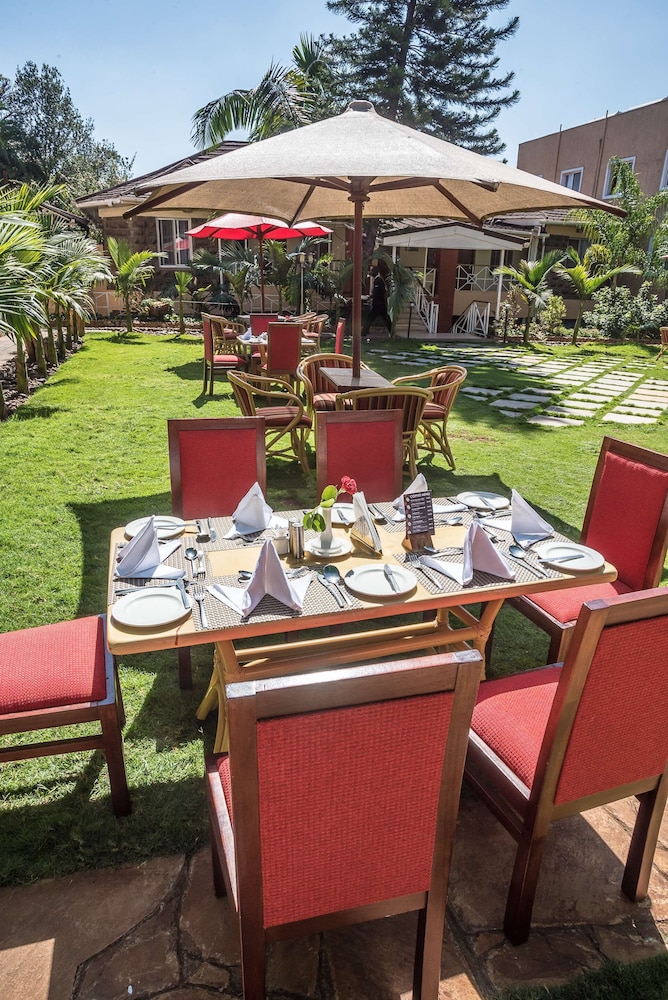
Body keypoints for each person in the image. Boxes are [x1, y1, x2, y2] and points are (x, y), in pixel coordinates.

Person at [363, 266, 392, 336]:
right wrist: (370, 296)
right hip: (377, 305)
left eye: (372, 270)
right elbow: (376, 293)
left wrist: (385, 303)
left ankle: (364, 333)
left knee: (371, 318)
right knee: (384, 318)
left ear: (376, 271)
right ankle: (364, 332)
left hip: (379, 305)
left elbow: (384, 292)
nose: (370, 272)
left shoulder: (379, 280)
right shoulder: (376, 280)